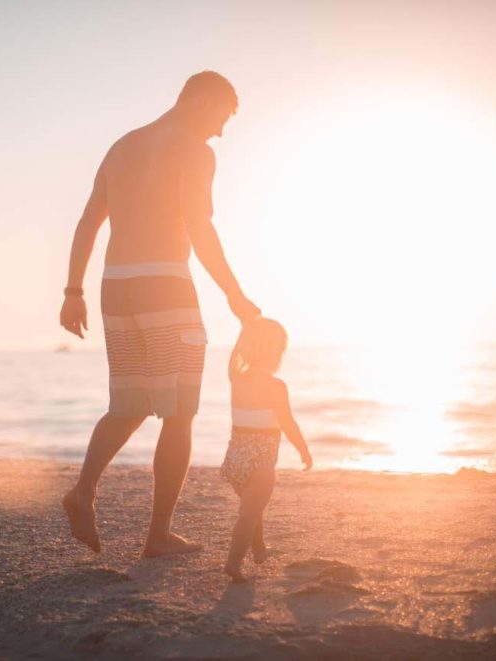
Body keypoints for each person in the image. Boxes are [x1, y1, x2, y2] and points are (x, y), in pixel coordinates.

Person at [59, 71, 260, 557]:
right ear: (202, 100)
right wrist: (234, 294)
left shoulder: (123, 146)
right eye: (221, 117)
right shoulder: (194, 150)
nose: (220, 131)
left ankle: (83, 490)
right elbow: (199, 228)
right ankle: (158, 537)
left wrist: (72, 291)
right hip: (166, 286)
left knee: (128, 405)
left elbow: (90, 220)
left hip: (116, 287)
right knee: (180, 412)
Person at [220, 318, 312, 582]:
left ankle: (258, 549)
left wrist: (244, 328)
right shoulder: (275, 386)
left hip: (235, 459)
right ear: (275, 353)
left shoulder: (237, 378)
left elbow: (234, 356)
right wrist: (303, 449)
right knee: (249, 513)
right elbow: (287, 423)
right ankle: (233, 562)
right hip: (261, 460)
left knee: (252, 506)